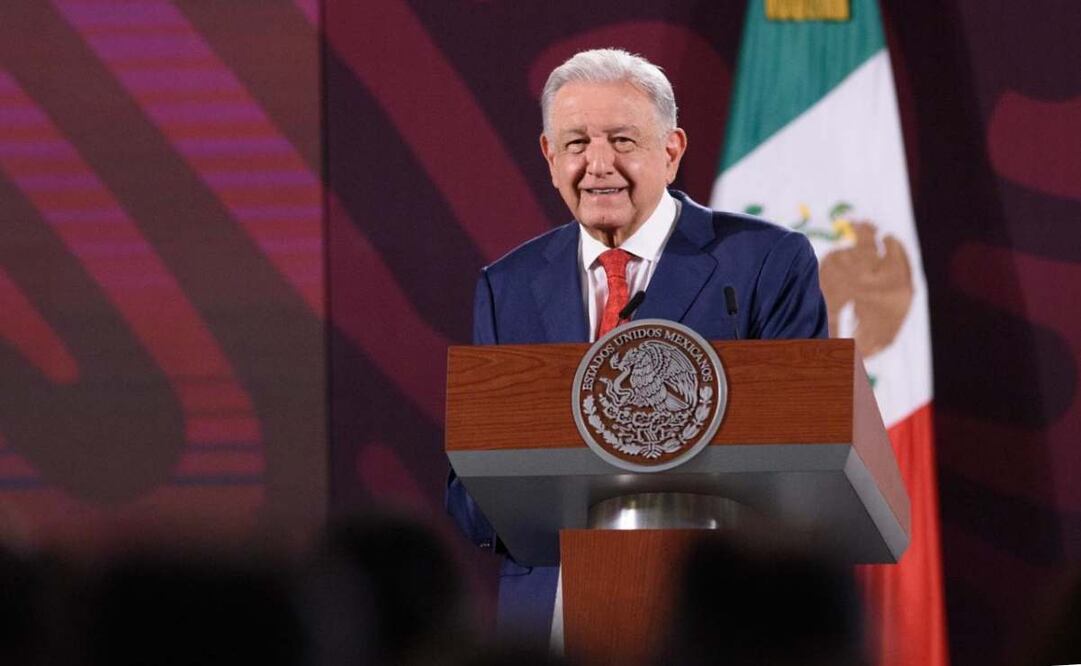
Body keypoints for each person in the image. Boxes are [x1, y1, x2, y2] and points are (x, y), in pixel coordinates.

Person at [447, 48, 828, 643]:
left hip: (714, 616)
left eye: (622, 140)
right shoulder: (508, 286)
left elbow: (807, 452)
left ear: (671, 151)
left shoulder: (763, 264)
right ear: (550, 157)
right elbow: (469, 487)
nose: (598, 164)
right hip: (552, 615)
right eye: (576, 144)